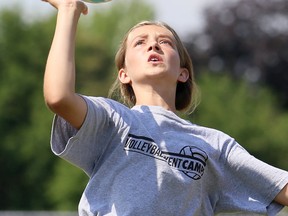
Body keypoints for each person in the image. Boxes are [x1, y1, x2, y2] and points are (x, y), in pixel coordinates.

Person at [42, 0, 288, 215]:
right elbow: (58, 97)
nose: (153, 46)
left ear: (183, 72)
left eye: (165, 42)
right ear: (124, 74)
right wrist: (68, 9)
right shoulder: (113, 119)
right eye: (140, 42)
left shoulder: (214, 144)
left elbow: (282, 189)